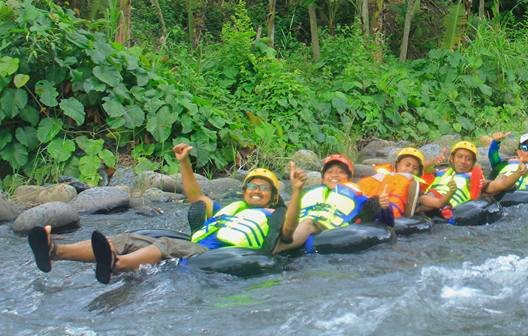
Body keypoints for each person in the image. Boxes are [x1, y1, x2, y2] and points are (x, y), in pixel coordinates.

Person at [27, 143, 289, 284]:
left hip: (216, 255)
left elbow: (290, 233)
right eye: (252, 186)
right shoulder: (231, 208)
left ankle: (117, 265)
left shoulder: (274, 215)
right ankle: (56, 252)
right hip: (194, 246)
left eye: (263, 188)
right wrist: (184, 163)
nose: (256, 190)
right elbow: (196, 196)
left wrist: (298, 190)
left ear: (274, 195)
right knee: (126, 238)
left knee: (164, 243)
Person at [278, 153, 393, 253]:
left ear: (348, 178)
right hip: (294, 228)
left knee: (308, 223)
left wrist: (384, 208)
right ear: (322, 178)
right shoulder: (308, 193)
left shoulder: (357, 197)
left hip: (327, 230)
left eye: (341, 172)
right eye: (330, 172)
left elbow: (383, 222)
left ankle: (276, 250)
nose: (334, 175)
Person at [418, 141, 485, 218]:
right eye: (459, 156)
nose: (463, 161)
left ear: (473, 163)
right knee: (422, 194)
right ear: (452, 159)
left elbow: (483, 191)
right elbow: (418, 170)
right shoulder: (442, 172)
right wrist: (433, 162)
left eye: (468, 159)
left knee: (422, 198)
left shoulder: (472, 176)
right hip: (430, 204)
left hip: (450, 207)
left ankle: (416, 206)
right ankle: (415, 208)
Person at [357, 147, 424, 218]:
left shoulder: (414, 184)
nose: (410, 170)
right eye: (407, 165)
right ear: (397, 165)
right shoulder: (380, 176)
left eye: (415, 168)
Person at [484, 132, 528, 196]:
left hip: (520, 193)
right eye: (525, 147)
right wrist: (495, 142)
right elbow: (493, 158)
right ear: (519, 152)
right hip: (498, 186)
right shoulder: (507, 163)